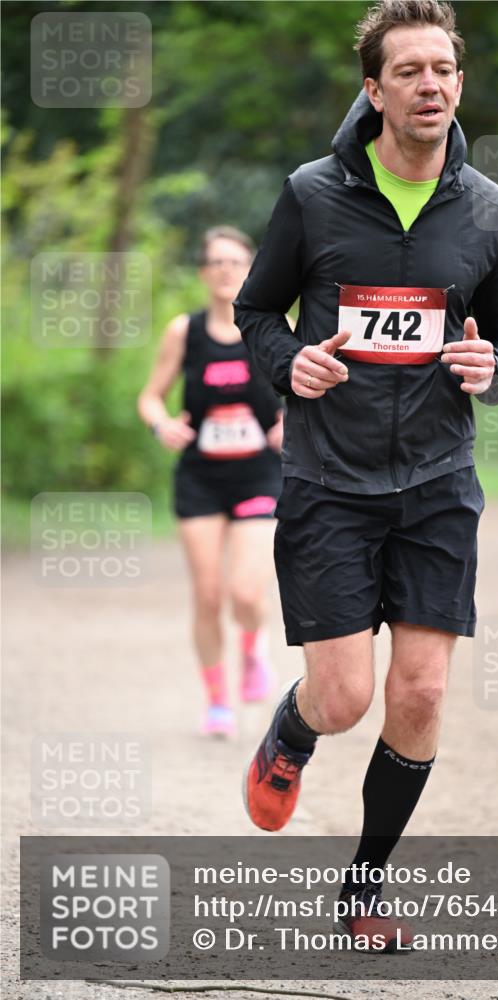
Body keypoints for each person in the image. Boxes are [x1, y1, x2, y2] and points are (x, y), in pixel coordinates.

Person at [235, 0, 498, 950]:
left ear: (459, 84)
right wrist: (293, 363)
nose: (431, 85)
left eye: (443, 69)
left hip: (438, 482)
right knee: (345, 700)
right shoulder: (314, 193)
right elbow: (255, 314)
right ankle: (290, 734)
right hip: (329, 478)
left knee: (419, 694)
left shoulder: (488, 210)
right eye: (408, 71)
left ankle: (363, 886)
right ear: (373, 91)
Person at [138, 226, 284, 737]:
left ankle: (251, 648)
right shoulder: (186, 331)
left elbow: (305, 386)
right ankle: (217, 699)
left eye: (236, 262)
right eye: (216, 262)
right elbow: (151, 396)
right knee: (207, 596)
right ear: (203, 273)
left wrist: (291, 422)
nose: (226, 271)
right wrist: (162, 424)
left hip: (259, 474)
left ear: (251, 269)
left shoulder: (269, 327)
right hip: (200, 477)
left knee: (245, 593)